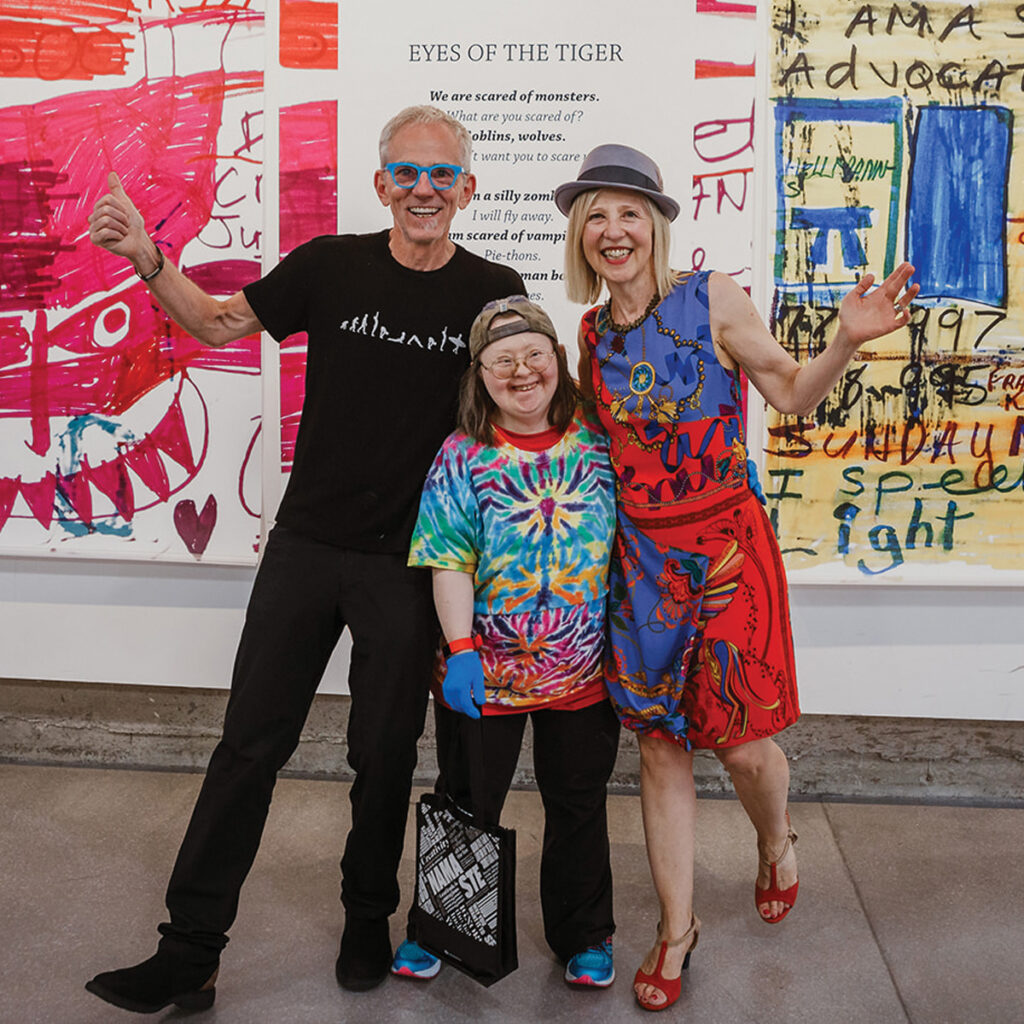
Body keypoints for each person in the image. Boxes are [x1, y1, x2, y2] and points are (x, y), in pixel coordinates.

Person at [83, 105, 524, 1013]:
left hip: (410, 563)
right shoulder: (329, 265)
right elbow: (213, 325)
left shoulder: (493, 291)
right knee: (249, 744)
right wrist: (146, 259)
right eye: (406, 172)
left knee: (383, 755)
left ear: (468, 189)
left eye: (442, 175)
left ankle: (369, 917)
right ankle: (191, 948)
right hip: (307, 548)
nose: (423, 191)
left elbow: (523, 407)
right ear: (381, 184)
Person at [554, 145, 918, 1011]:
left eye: (630, 212)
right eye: (596, 215)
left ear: (657, 225)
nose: (614, 230)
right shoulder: (591, 335)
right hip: (640, 566)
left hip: (724, 549)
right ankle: (678, 929)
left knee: (742, 743)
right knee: (658, 745)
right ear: (580, 235)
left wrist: (843, 343)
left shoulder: (712, 298)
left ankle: (776, 836)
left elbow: (790, 393)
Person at [393, 295, 621, 988]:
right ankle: (439, 930)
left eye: (534, 356)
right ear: (480, 374)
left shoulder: (599, 438)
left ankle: (584, 934)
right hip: (484, 675)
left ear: (557, 362)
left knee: (578, 803)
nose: (521, 372)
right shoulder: (464, 455)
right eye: (502, 361)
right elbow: (448, 559)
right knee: (466, 802)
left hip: (584, 674)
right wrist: (460, 650)